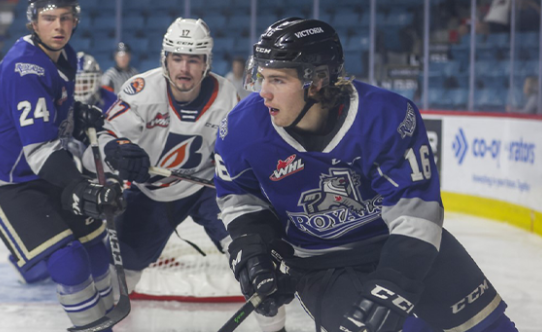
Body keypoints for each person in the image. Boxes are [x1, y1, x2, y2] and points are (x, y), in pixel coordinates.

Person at [214, 18, 520, 332]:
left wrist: (392, 286)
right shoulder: (241, 129)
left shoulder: (385, 117)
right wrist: (254, 252)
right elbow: (241, 202)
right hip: (321, 264)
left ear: (317, 81)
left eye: (277, 80)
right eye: (261, 77)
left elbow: (417, 216)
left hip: (399, 243)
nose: (263, 93)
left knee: (492, 328)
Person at [83, 17, 285, 332]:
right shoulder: (141, 91)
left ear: (206, 63)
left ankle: (277, 329)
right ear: (165, 59)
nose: (184, 68)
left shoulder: (225, 96)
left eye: (194, 59)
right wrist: (117, 151)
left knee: (253, 261)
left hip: (209, 191)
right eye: (177, 58)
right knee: (122, 270)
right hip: (152, 194)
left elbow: (240, 153)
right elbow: (101, 143)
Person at [0, 0, 124, 330]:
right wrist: (81, 186)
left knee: (95, 250)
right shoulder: (25, 67)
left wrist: (75, 114)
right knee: (68, 262)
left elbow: (52, 111)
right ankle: (93, 327)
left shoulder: (63, 55)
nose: (58, 26)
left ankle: (110, 318)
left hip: (45, 170)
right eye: (49, 18)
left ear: (75, 21)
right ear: (33, 23)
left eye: (65, 18)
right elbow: (39, 150)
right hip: (9, 182)